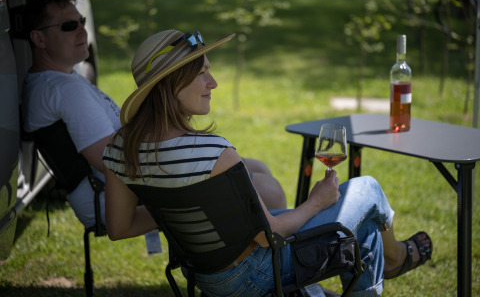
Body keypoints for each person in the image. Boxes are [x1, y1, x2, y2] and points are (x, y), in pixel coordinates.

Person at [102, 29, 433, 296]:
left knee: (368, 230)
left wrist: (178, 213)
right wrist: (318, 201)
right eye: (202, 74)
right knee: (367, 188)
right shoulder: (213, 153)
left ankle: (385, 261)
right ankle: (397, 257)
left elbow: (119, 228)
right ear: (171, 85)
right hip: (256, 273)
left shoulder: (119, 150)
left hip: (202, 274)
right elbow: (269, 236)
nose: (213, 83)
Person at [21, 0, 286, 228]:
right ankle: (261, 266)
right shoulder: (63, 90)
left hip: (134, 178)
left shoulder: (55, 81)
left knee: (258, 170)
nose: (81, 31)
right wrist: (181, 162)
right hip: (116, 196)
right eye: (69, 26)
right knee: (266, 189)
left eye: (82, 22)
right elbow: (110, 162)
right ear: (39, 39)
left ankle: (245, 256)